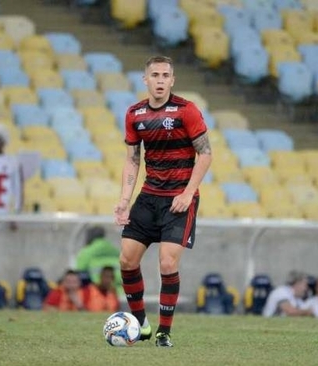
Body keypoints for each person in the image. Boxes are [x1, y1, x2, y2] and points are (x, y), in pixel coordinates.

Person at [114, 56, 212, 347]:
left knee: (167, 263)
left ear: (172, 80)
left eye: (165, 75)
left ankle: (163, 332)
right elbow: (133, 159)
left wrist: (187, 192)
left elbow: (205, 153)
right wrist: (123, 200)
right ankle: (141, 325)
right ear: (145, 79)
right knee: (126, 260)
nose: (159, 80)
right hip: (148, 197)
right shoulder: (135, 114)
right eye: (154, 74)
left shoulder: (187, 111)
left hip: (179, 200)